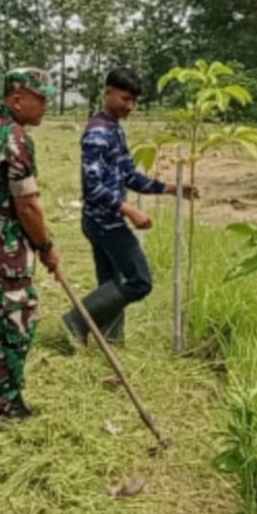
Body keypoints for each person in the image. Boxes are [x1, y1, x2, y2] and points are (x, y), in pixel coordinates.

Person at [62, 67, 197, 346]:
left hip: (105, 220)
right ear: (108, 92)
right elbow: (92, 187)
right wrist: (129, 210)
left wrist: (171, 189)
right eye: (125, 99)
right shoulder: (98, 133)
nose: (131, 106)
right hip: (104, 223)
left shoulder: (115, 130)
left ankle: (111, 340)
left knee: (111, 281)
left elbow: (130, 176)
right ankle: (76, 320)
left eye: (135, 101)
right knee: (140, 281)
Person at [0, 68, 60, 439]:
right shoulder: (15, 139)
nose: (46, 105)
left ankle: (13, 399)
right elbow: (28, 206)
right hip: (3, 253)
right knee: (19, 328)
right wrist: (47, 247)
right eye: (42, 97)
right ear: (17, 98)